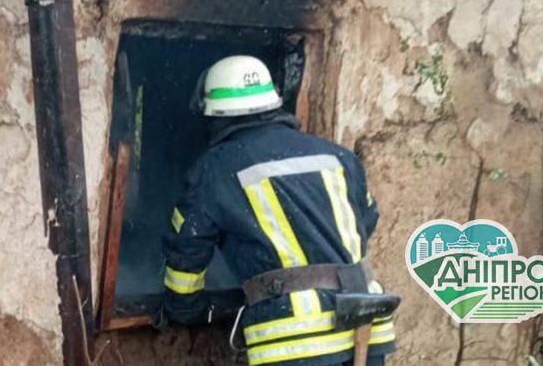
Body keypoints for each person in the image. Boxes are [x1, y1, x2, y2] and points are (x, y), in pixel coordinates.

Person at [160, 55, 397, 366]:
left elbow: (187, 248)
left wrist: (184, 309)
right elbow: (366, 220)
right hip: (367, 323)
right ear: (272, 105)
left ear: (215, 116)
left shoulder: (215, 169)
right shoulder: (338, 156)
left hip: (296, 337)